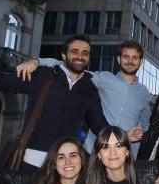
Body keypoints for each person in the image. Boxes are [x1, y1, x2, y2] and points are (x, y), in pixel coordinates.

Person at [0, 32, 107, 171]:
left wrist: (123, 136)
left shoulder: (89, 89)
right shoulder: (43, 76)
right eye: (75, 51)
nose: (80, 56)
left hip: (67, 165)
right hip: (33, 161)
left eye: (85, 53)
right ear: (64, 55)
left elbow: (99, 123)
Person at [16, 40, 151, 157]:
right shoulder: (104, 78)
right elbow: (70, 67)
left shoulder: (144, 92)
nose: (130, 61)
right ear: (118, 59)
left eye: (135, 58)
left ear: (141, 61)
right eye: (126, 57)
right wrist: (37, 61)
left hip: (124, 152)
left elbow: (144, 122)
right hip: (94, 148)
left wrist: (139, 131)